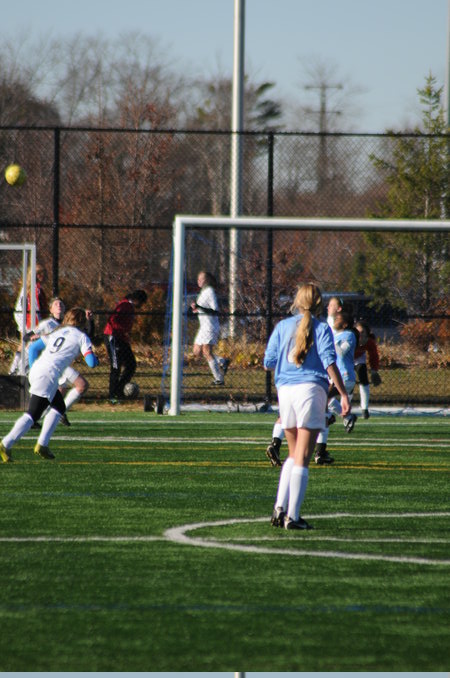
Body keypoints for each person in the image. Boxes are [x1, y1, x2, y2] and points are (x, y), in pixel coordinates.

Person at [264, 283, 350, 530]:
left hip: (285, 392)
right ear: (320, 304)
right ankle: (293, 517)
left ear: (296, 302)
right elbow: (329, 362)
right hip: (310, 390)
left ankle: (279, 508)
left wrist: (290, 360)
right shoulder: (321, 328)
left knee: (293, 454)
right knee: (302, 457)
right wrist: (343, 394)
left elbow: (268, 362)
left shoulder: (282, 326)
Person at [0, 307, 99, 463]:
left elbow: (33, 348)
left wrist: (34, 369)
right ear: (83, 323)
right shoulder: (82, 337)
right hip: (49, 375)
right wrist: (95, 359)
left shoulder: (58, 332)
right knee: (33, 414)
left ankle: (43, 445)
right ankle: (5, 444)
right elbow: (91, 363)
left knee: (59, 406)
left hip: (39, 370)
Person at [27, 297, 94, 427]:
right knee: (78, 386)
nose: (59, 306)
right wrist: (36, 338)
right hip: (50, 364)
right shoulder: (48, 324)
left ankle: (40, 418)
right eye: (56, 304)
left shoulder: (65, 326)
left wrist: (89, 321)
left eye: (61, 304)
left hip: (58, 365)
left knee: (59, 393)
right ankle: (41, 417)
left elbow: (88, 335)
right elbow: (29, 339)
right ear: (50, 309)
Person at [314, 309, 358, 465]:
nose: (334, 320)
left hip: (345, 376)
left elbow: (341, 351)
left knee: (322, 401)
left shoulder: (349, 335)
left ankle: (321, 448)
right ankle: (343, 418)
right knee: (325, 403)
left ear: (345, 324)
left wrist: (328, 344)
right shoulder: (334, 335)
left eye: (338, 319)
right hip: (335, 377)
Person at [103, 289, 147, 403]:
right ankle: (112, 396)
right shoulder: (124, 305)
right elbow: (112, 319)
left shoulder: (129, 307)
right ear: (137, 300)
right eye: (141, 303)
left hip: (122, 339)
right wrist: (120, 331)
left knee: (131, 364)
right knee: (116, 366)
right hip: (113, 337)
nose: (141, 306)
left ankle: (119, 389)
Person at [191, 271, 229, 385]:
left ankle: (219, 379)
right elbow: (201, 308)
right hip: (203, 327)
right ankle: (222, 361)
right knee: (196, 351)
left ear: (207, 280)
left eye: (201, 279)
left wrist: (199, 307)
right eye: (198, 279)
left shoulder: (210, 291)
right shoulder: (202, 292)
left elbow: (215, 310)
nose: (199, 281)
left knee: (207, 351)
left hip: (210, 326)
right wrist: (196, 309)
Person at [10, 263, 49, 376]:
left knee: (23, 344)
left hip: (22, 317)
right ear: (38, 275)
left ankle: (14, 368)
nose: (44, 276)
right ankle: (21, 369)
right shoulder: (35, 289)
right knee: (29, 344)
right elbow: (35, 308)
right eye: (42, 274)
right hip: (28, 319)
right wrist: (37, 325)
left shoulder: (27, 287)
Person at [354, 319, 382, 419]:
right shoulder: (350, 339)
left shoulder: (369, 342)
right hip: (345, 358)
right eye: (358, 332)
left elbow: (374, 356)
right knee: (348, 382)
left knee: (363, 377)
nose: (360, 335)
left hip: (359, 357)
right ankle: (344, 406)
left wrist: (374, 371)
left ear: (367, 333)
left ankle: (364, 409)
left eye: (362, 332)